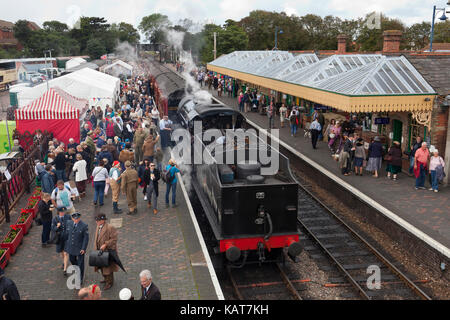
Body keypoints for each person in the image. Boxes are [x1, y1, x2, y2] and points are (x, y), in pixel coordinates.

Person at [93, 214, 119, 290]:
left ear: (103, 220)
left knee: (108, 268)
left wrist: (105, 244)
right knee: (101, 267)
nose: (96, 222)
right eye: (96, 220)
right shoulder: (98, 226)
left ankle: (109, 282)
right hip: (99, 251)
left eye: (98, 220)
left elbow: (114, 239)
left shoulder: (110, 227)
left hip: (107, 252)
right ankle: (105, 279)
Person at [64, 212, 89, 283]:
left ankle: (80, 278)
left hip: (79, 248)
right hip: (71, 247)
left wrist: (83, 248)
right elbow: (67, 235)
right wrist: (66, 246)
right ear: (72, 218)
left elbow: (86, 238)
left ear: (79, 218)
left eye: (77, 219)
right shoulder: (69, 223)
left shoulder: (84, 226)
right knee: (72, 260)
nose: (76, 220)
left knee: (81, 263)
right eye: (75, 219)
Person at [51, 207, 71, 276]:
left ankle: (65, 269)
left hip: (66, 238)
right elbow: (53, 228)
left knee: (66, 253)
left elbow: (71, 224)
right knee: (62, 253)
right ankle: (64, 262)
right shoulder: (55, 219)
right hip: (59, 238)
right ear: (58, 212)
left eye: (64, 212)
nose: (63, 213)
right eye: (61, 212)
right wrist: (57, 227)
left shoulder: (68, 217)